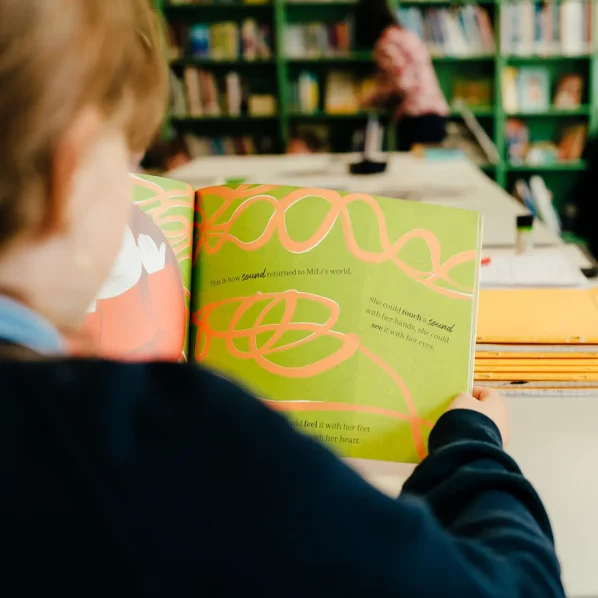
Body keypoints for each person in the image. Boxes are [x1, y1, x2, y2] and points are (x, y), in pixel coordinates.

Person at [0, 1, 564, 596]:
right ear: (71, 172)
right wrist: (472, 447)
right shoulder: (166, 444)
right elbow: (517, 588)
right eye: (130, 167)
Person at [356, 0, 450, 151]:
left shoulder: (386, 43)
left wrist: (374, 98)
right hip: (435, 113)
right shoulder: (407, 35)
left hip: (415, 117)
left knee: (411, 170)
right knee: (427, 170)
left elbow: (402, 83)